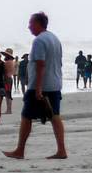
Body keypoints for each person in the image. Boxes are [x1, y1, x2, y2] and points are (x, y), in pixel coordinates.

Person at [4, 12, 67, 160]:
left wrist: (38, 88)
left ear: (38, 24)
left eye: (31, 23)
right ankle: (62, 150)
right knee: (54, 116)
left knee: (26, 116)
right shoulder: (54, 38)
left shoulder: (39, 41)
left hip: (40, 86)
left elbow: (40, 64)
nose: (29, 26)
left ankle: (20, 150)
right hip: (55, 83)